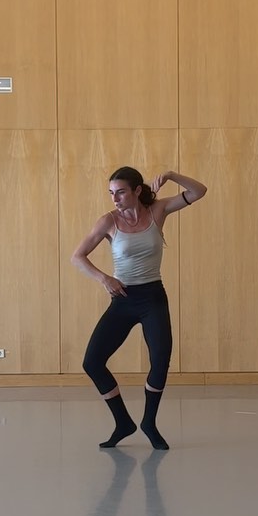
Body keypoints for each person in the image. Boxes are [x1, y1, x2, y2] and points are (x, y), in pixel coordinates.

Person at [71, 166, 207, 450]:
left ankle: (149, 423)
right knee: (92, 362)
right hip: (123, 298)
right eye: (111, 193)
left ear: (137, 190)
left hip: (153, 297)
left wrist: (170, 175)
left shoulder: (158, 211)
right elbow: (78, 256)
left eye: (120, 192)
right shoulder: (108, 221)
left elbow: (199, 191)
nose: (115, 198)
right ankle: (123, 422)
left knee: (160, 361)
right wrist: (104, 278)